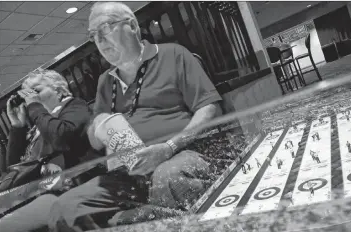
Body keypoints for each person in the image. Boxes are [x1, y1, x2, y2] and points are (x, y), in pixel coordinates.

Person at [47, 2, 222, 230]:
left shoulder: (173, 54)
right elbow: (95, 141)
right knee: (63, 208)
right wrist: (97, 127)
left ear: (132, 26)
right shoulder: (105, 81)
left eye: (106, 28)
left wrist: (168, 147)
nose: (99, 40)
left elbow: (210, 108)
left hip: (179, 153)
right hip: (128, 172)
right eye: (93, 35)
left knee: (168, 178)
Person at [0, 70, 91, 232]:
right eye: (27, 95)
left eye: (36, 91)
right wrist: (17, 128)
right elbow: (15, 169)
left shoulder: (74, 106)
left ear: (60, 90)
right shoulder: (37, 128)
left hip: (60, 189)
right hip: (29, 193)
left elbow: (61, 137)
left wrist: (35, 106)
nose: (30, 98)